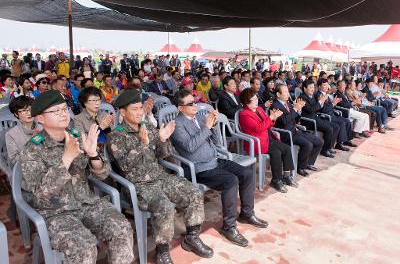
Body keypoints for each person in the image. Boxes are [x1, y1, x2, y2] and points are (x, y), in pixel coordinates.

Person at [19, 90, 134, 264]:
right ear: (40, 118)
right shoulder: (32, 150)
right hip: (56, 213)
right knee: (84, 247)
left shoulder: (77, 138)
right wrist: (66, 157)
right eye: (55, 111)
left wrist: (93, 154)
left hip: (86, 203)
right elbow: (40, 195)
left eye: (64, 109)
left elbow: (102, 174)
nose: (63, 114)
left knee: (122, 228)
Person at [106, 90, 213, 263]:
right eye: (135, 109)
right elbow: (125, 166)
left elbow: (163, 155)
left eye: (141, 108)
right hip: (138, 185)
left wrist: (163, 140)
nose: (140, 112)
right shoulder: (116, 136)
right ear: (123, 112)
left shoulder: (147, 126)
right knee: (164, 207)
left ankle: (192, 237)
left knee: (193, 192)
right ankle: (162, 251)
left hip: (159, 177)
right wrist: (142, 144)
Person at [171, 89, 268, 248]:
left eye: (194, 101)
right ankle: (229, 227)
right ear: (180, 108)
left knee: (247, 174)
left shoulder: (200, 117)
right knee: (230, 180)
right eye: (190, 104)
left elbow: (216, 142)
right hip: (199, 168)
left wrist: (214, 124)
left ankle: (247, 213)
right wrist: (207, 127)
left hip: (215, 159)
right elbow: (190, 147)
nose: (195, 105)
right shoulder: (177, 125)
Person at [239, 88, 295, 191]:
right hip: (258, 142)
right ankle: (276, 180)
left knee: (286, 148)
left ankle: (286, 175)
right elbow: (258, 128)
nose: (256, 101)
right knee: (276, 153)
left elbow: (268, 123)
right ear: (246, 103)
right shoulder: (244, 114)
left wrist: (273, 117)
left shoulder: (259, 109)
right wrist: (271, 117)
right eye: (253, 100)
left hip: (268, 138)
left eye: (256, 99)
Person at [272, 84, 324, 176]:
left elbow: (295, 118)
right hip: (286, 134)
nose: (288, 94)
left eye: (288, 92)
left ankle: (308, 163)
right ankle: (301, 167)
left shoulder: (287, 103)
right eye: (285, 92)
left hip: (295, 130)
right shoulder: (275, 105)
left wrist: (299, 110)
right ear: (278, 94)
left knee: (319, 141)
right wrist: (295, 109)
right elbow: (284, 120)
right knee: (308, 144)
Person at [300, 80, 339, 158]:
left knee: (335, 126)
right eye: (310, 87)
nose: (312, 89)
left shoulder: (313, 96)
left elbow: (318, 108)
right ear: (304, 88)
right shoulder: (302, 98)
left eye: (313, 87)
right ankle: (324, 150)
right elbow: (311, 110)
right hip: (309, 121)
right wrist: (320, 101)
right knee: (329, 129)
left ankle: (329, 147)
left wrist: (321, 102)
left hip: (316, 118)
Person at [315, 78, 355, 150]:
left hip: (332, 114)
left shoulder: (326, 94)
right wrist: (333, 103)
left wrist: (333, 102)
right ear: (319, 86)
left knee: (347, 121)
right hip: (326, 116)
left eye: (327, 85)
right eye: (324, 85)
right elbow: (324, 110)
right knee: (341, 123)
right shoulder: (318, 95)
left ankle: (347, 140)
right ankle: (339, 144)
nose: (327, 86)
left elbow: (329, 106)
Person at [75, 86, 116, 153]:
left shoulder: (104, 114)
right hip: (93, 152)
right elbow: (81, 142)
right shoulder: (78, 119)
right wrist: (100, 128)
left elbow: (113, 136)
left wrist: (110, 125)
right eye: (94, 100)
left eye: (99, 100)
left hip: (109, 149)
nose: (97, 103)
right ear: (85, 102)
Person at [5, 96, 37, 167]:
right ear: (16, 114)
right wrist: (32, 147)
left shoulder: (42, 127)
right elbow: (14, 160)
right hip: (27, 169)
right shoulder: (11, 134)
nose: (29, 113)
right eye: (24, 110)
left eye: (30, 109)